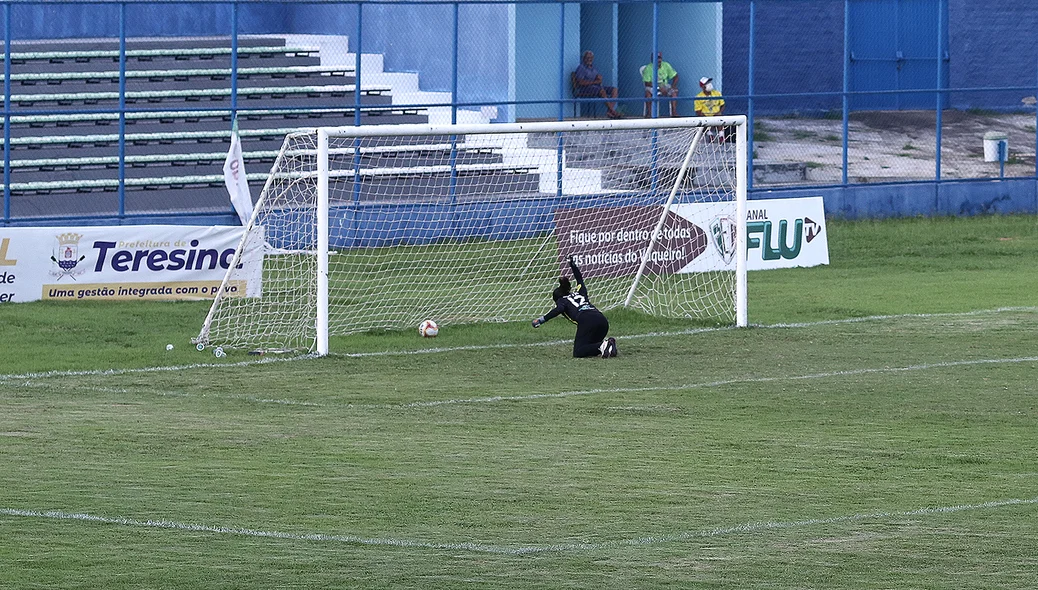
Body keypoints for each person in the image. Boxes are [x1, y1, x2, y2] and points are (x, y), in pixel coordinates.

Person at [531, 255, 617, 358]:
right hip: (602, 320)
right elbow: (579, 279)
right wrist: (572, 264)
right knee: (588, 345)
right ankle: (608, 344)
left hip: (587, 321)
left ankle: (602, 345)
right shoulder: (580, 293)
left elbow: (559, 309)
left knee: (578, 352)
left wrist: (541, 320)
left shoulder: (562, 301)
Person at [573, 50, 621, 119]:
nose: (589, 59)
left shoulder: (593, 68)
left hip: (595, 87)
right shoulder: (581, 68)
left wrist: (599, 78)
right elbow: (580, 82)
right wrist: (595, 82)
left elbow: (597, 79)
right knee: (601, 91)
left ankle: (610, 111)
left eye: (591, 57)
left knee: (614, 90)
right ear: (583, 58)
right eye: (587, 57)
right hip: (584, 89)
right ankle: (613, 112)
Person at [642, 52, 679, 117]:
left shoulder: (666, 65)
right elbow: (647, 83)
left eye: (659, 58)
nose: (658, 60)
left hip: (665, 85)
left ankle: (674, 112)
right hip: (652, 86)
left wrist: (672, 86)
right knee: (648, 93)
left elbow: (676, 76)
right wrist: (658, 87)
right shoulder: (648, 68)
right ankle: (650, 113)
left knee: (674, 92)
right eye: (656, 58)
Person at [694, 76, 727, 141]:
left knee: (719, 117)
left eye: (709, 82)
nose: (709, 84)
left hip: (716, 114)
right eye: (706, 83)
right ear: (702, 86)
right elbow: (698, 111)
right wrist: (704, 116)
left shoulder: (717, 93)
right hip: (706, 115)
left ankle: (721, 136)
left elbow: (722, 104)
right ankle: (710, 134)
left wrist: (719, 112)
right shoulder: (699, 97)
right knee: (705, 120)